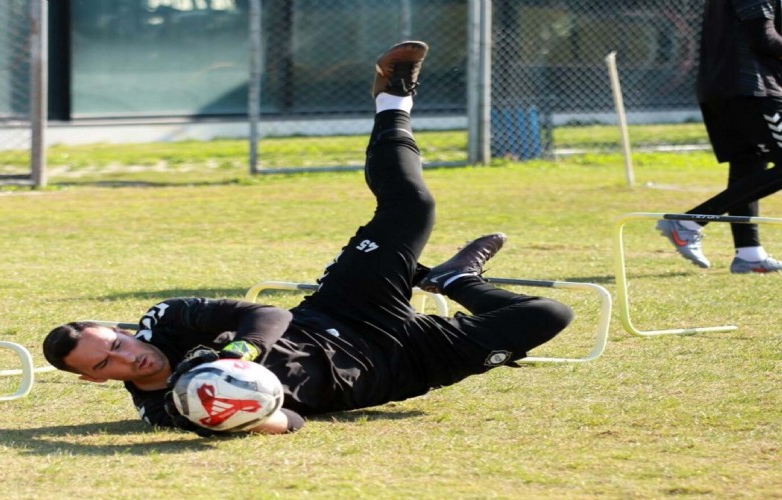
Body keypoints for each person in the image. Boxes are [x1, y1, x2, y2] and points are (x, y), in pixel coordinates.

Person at [42, 41, 574, 436]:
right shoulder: (171, 409)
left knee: (414, 206)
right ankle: (456, 279)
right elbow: (293, 419)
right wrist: (256, 412)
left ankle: (393, 101)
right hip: (402, 366)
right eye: (104, 364)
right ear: (95, 382)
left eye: (115, 342)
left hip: (344, 312)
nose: (126, 357)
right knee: (549, 315)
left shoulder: (167, 319)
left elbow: (269, 317)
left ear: (119, 329)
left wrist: (244, 352)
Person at [656, 0, 782, 273]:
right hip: (751, 88)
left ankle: (750, 253)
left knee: (747, 166)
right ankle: (688, 222)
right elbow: (763, 37)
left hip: (722, 87)